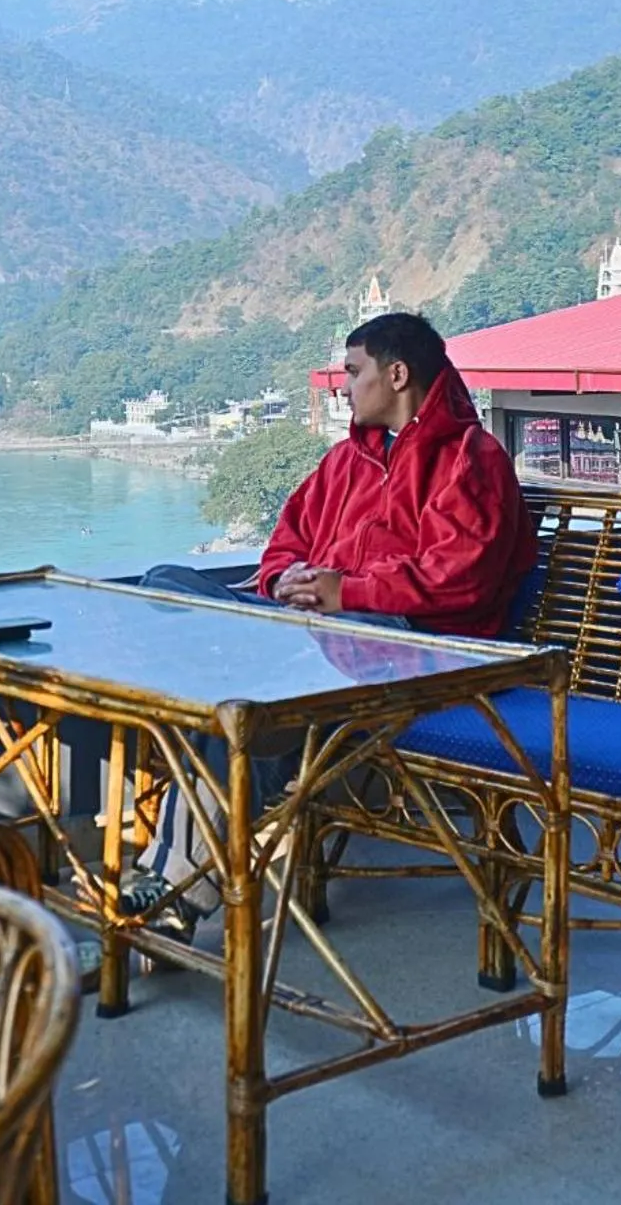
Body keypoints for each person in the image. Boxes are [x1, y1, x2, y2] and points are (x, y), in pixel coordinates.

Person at [130, 311, 537, 931]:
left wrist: (346, 593)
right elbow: (285, 543)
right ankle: (249, 758)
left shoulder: (470, 460)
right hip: (316, 636)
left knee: (234, 689)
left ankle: (176, 884)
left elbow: (461, 579)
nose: (345, 387)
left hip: (412, 647)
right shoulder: (346, 461)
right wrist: (284, 579)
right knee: (166, 585)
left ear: (396, 374)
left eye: (354, 372)